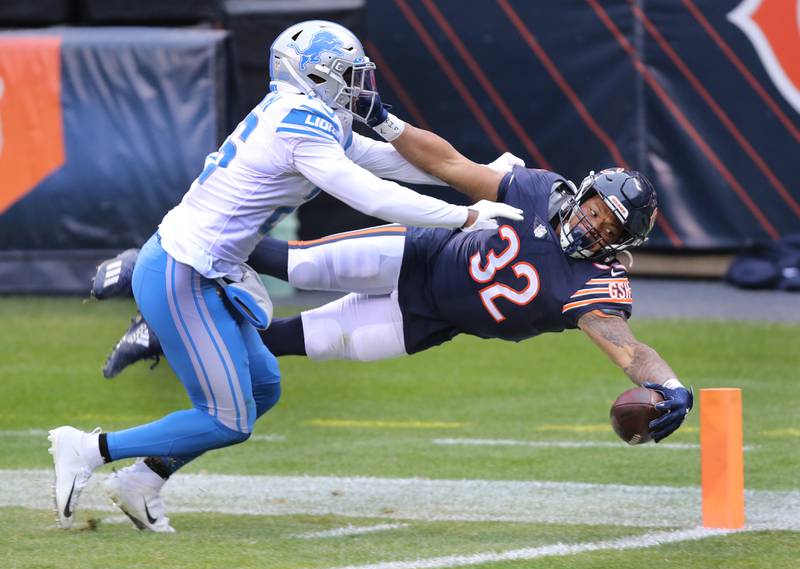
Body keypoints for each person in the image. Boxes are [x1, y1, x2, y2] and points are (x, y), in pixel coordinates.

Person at [91, 101, 693, 532]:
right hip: (416, 253)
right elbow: (453, 167)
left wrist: (666, 386)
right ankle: (156, 257)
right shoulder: (541, 191)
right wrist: (387, 122)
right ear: (583, 193)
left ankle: (163, 336)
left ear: (621, 241)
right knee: (290, 262)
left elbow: (626, 349)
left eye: (610, 226)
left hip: (429, 322)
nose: (593, 224)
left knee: (287, 343)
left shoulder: (595, 284)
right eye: (595, 209)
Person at [48, 19, 524, 533]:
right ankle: (89, 448)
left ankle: (143, 480)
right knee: (226, 419)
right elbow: (371, 195)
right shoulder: (297, 122)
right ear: (312, 75)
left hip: (209, 270)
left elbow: (397, 164)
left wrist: (490, 175)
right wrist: (467, 215)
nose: (361, 83)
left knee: (262, 387)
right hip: (182, 270)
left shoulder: (318, 117)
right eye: (347, 73)